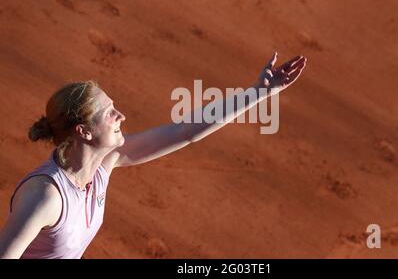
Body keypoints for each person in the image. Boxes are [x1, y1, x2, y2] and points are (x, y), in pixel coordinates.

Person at [0, 52, 307, 258]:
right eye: (109, 114)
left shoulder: (104, 164)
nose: (121, 115)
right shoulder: (45, 197)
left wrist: (258, 92)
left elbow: (183, 132)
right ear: (84, 131)